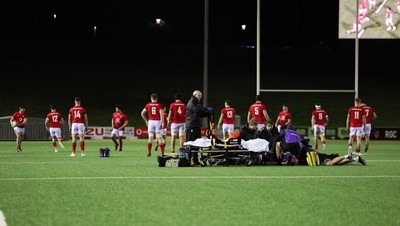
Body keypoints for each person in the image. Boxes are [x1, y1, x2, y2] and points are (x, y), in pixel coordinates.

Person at [186, 90, 211, 166]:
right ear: (195, 95)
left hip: (196, 126)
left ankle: (195, 160)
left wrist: (207, 113)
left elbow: (199, 113)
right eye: (199, 96)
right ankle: (188, 160)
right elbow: (197, 110)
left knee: (197, 144)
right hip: (192, 126)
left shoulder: (195, 103)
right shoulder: (192, 102)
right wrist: (206, 108)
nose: (201, 97)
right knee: (191, 143)